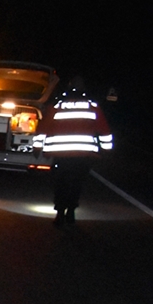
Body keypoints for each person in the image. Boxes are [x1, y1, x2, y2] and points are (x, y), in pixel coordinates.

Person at [34, 87, 113, 225]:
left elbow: (43, 129)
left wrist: (37, 148)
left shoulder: (57, 106)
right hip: (83, 155)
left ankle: (60, 213)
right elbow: (104, 131)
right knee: (77, 183)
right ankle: (71, 212)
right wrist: (106, 151)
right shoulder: (92, 107)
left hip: (61, 155)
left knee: (61, 183)